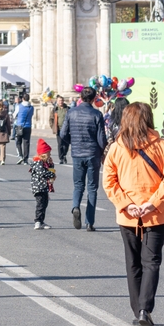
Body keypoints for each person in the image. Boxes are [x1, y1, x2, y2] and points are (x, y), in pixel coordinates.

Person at [102, 102, 164, 326]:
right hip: (156, 213)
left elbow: (109, 181)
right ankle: (145, 308)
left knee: (133, 262)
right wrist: (152, 203)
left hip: (128, 214)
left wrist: (126, 204)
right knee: (152, 261)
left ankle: (138, 310)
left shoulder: (117, 148)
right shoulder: (161, 146)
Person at [60, 86, 108, 232]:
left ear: (80, 97)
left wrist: (73, 142)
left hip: (77, 154)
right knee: (92, 188)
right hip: (93, 153)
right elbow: (101, 138)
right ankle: (89, 222)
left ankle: (75, 206)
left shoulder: (71, 112)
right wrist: (102, 151)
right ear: (94, 99)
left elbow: (63, 134)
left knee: (78, 185)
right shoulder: (97, 114)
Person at [30, 139, 57, 230]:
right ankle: (38, 221)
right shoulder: (38, 162)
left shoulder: (45, 163)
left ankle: (41, 221)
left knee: (44, 204)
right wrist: (51, 174)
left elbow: (49, 170)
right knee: (40, 204)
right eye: (49, 153)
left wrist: (51, 165)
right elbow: (42, 173)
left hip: (43, 187)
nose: (50, 155)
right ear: (44, 154)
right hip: (38, 187)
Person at [49, 96, 71, 164]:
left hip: (67, 129)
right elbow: (51, 119)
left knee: (66, 144)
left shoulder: (68, 109)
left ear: (63, 101)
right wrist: (53, 127)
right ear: (57, 101)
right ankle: (61, 158)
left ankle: (64, 155)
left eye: (61, 100)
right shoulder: (55, 109)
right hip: (58, 129)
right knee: (60, 144)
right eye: (59, 100)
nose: (60, 102)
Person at [13, 95, 34, 163]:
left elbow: (14, 115)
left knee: (18, 141)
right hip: (28, 126)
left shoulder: (19, 106)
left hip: (20, 126)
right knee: (26, 143)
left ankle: (20, 155)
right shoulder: (31, 107)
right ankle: (26, 159)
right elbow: (31, 115)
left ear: (22, 99)